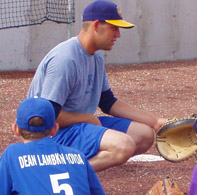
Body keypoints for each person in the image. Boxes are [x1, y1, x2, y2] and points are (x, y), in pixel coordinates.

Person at [27, 0, 167, 172]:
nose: (118, 34)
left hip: (77, 126)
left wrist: (155, 122)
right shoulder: (65, 59)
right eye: (113, 28)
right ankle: (65, 174)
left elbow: (108, 102)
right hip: (50, 134)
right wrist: (89, 119)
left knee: (144, 135)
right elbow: (47, 116)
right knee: (123, 146)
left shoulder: (96, 57)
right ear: (96, 26)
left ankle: (73, 168)